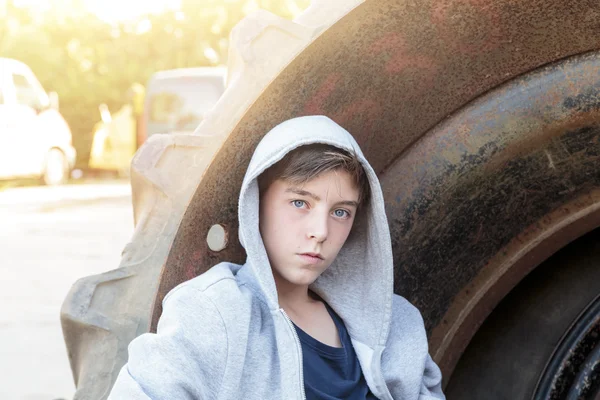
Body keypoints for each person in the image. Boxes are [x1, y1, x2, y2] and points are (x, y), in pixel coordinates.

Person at [108, 115, 445, 399]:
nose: (320, 231)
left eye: (340, 212)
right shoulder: (214, 313)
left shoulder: (395, 324)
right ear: (258, 204)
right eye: (300, 203)